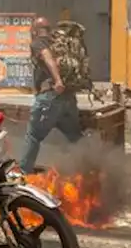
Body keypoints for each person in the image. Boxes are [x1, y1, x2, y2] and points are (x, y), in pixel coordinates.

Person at [18, 16, 83, 174]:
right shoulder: (60, 44)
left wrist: (58, 80)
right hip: (68, 98)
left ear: (35, 30)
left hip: (50, 97)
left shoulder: (39, 43)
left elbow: (47, 58)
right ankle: (90, 171)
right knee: (76, 138)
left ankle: (22, 174)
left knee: (33, 136)